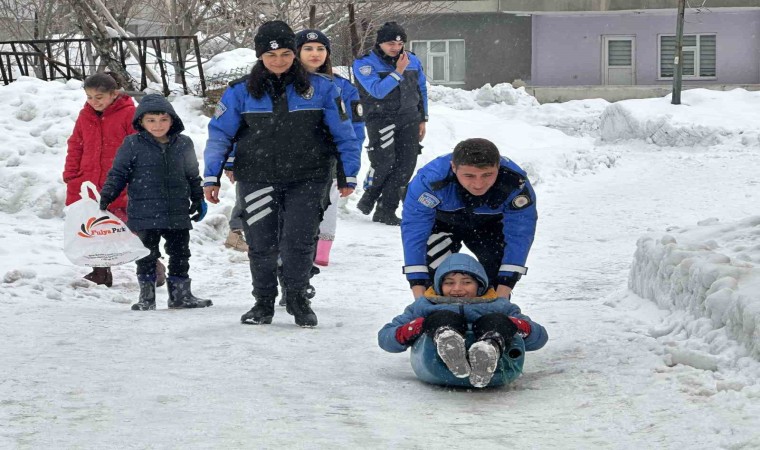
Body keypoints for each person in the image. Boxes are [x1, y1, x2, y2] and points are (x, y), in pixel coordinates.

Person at [203, 21, 360, 327]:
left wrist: (347, 173)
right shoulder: (239, 92)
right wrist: (212, 175)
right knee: (261, 243)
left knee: (299, 242)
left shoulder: (323, 89)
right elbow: (220, 135)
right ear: (260, 55)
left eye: (286, 53)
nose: (279, 60)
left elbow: (344, 134)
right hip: (257, 178)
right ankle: (262, 303)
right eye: (271, 54)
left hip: (309, 177)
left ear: (294, 53)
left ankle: (299, 299)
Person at [99, 94, 212, 311]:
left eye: (163, 120)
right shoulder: (132, 144)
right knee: (146, 255)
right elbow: (118, 173)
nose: (158, 125)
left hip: (177, 211)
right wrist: (107, 197)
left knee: (180, 253)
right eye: (151, 120)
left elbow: (192, 175)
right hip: (144, 212)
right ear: (141, 121)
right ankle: (146, 298)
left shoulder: (184, 143)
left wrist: (198, 198)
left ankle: (181, 296)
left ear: (172, 120)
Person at [378, 253, 547, 388]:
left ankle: (488, 350)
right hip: (435, 364)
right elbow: (386, 338)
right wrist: (416, 327)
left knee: (496, 320)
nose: (457, 289)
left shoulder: (498, 305)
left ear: (480, 285)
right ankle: (449, 343)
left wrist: (515, 325)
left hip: (497, 369)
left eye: (467, 282)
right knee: (442, 318)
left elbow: (539, 338)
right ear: (439, 286)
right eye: (449, 283)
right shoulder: (425, 305)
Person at [401, 138, 537, 300]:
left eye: (487, 174)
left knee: (495, 279)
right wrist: (419, 292)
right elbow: (414, 232)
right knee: (437, 280)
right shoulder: (430, 181)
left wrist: (504, 289)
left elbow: (520, 234)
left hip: (490, 225)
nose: (478, 184)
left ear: (498, 167)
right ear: (453, 167)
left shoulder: (516, 184)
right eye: (469, 175)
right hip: (442, 223)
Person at [63, 73, 166, 288]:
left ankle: (152, 266)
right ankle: (100, 272)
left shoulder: (130, 114)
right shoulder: (85, 116)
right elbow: (76, 145)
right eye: (89, 97)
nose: (94, 102)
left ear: (114, 94)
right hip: (89, 183)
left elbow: (141, 148)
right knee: (94, 229)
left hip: (122, 183)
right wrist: (71, 175)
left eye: (99, 97)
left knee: (129, 228)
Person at [295, 28, 366, 265]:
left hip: (330, 158)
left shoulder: (344, 87)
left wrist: (349, 167)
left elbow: (355, 131)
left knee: (329, 202)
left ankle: (322, 250)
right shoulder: (285, 84)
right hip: (292, 157)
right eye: (308, 48)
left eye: (320, 49)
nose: (315, 54)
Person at [352, 21, 428, 225]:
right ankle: (370, 196)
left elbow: (421, 90)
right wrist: (398, 71)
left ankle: (386, 210)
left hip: (409, 118)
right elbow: (377, 91)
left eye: (400, 43)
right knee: (384, 162)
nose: (396, 48)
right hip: (381, 118)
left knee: (406, 165)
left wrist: (423, 118)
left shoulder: (412, 60)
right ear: (380, 43)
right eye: (390, 44)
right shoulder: (365, 63)